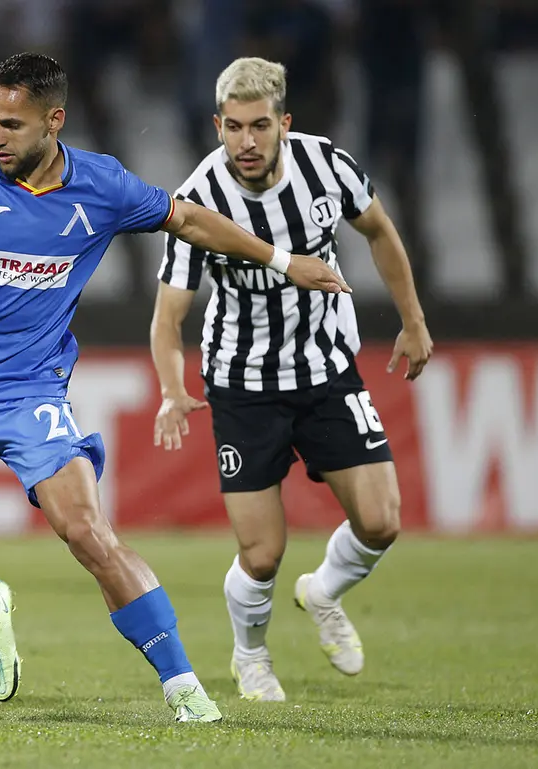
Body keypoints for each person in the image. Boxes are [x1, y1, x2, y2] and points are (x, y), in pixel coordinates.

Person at [0, 52, 347, 722]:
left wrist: (283, 259)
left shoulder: (102, 185)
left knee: (88, 530)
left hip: (30, 391)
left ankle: (184, 688)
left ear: (54, 121)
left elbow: (189, 219)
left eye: (11, 124)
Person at [150, 57, 433, 702]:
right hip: (243, 384)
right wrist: (170, 388)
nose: (246, 142)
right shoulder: (198, 200)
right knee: (262, 554)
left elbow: (380, 231)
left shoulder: (327, 165)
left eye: (259, 126)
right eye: (233, 128)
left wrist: (413, 321)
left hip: (327, 368)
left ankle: (323, 591)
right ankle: (250, 655)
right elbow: (167, 319)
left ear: (284, 123)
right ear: (217, 126)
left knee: (382, 521)